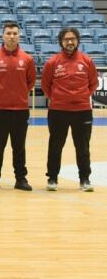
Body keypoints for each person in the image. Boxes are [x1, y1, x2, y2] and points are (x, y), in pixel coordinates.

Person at [0, 22, 36, 191]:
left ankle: (21, 179)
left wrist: (17, 95)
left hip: (20, 110)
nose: (12, 36)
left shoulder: (27, 59)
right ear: (3, 36)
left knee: (19, 147)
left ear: (19, 36)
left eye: (14, 33)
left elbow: (30, 82)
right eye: (8, 33)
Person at [41, 27, 99, 192]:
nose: (70, 41)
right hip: (58, 111)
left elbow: (93, 83)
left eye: (73, 38)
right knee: (55, 146)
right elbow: (46, 85)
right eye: (66, 39)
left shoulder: (87, 61)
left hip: (82, 111)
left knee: (83, 147)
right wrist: (59, 98)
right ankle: (52, 178)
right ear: (61, 41)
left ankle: (85, 179)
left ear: (77, 41)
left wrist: (81, 97)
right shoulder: (53, 62)